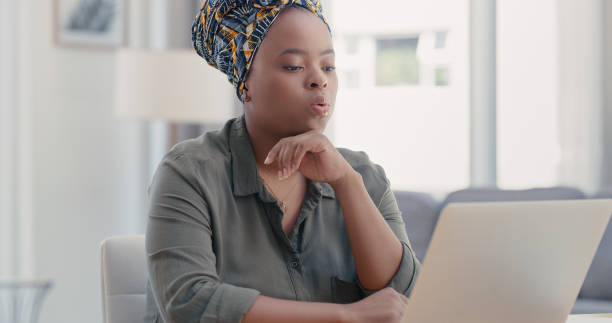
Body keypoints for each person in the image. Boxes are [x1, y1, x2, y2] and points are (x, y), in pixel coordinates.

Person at [145, 0, 421, 322]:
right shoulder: (189, 174)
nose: (320, 80)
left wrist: (347, 185)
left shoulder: (363, 176)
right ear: (245, 81)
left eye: (328, 66)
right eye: (293, 66)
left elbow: (406, 299)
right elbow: (188, 304)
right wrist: (345, 316)